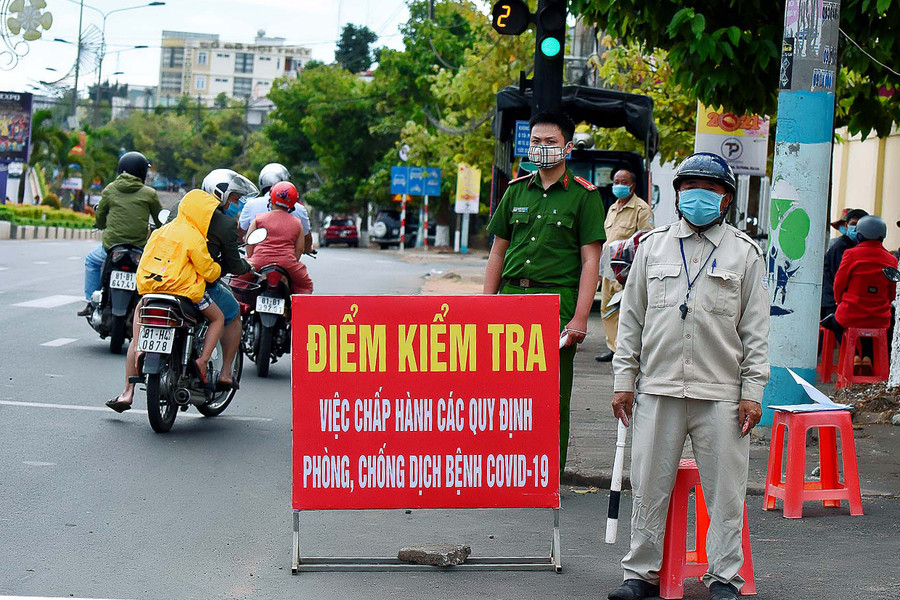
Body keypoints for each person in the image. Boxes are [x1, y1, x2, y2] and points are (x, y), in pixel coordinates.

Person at [609, 152, 769, 600]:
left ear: (726, 198)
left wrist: (753, 391)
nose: (699, 196)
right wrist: (623, 381)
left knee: (726, 494)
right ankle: (640, 574)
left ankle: (724, 578)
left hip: (722, 393)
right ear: (677, 194)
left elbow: (756, 330)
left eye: (710, 189)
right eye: (690, 187)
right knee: (648, 486)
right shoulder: (651, 247)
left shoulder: (745, 253)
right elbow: (631, 321)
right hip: (657, 388)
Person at [483, 110, 606, 472]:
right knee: (503, 392)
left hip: (556, 306)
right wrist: (485, 305)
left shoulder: (584, 196)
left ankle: (547, 475)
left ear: (567, 148)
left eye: (550, 142)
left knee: (551, 395)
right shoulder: (515, 190)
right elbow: (497, 252)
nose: (541, 148)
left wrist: (580, 318)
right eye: (535, 141)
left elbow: (590, 261)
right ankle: (502, 469)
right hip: (510, 299)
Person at [106, 189, 224, 412]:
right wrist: (217, 268)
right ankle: (202, 360)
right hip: (184, 294)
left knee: (138, 327)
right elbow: (208, 271)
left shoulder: (159, 232)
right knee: (218, 318)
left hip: (152, 292)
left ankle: (127, 391)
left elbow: (145, 260)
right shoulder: (194, 236)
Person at [77, 151, 162, 316]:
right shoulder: (149, 194)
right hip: (138, 248)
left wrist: (100, 224)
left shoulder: (110, 189)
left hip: (111, 247)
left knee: (91, 261)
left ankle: (91, 302)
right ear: (142, 172)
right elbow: (160, 220)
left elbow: (100, 215)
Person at [824, 215, 898, 368]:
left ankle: (855, 355)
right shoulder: (892, 260)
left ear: (859, 235)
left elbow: (839, 284)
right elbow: (891, 293)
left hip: (851, 313)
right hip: (880, 317)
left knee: (837, 323)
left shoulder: (851, 254)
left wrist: (840, 301)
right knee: (872, 329)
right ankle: (867, 357)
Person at [596, 169, 654, 362]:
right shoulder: (613, 208)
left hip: (627, 270)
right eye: (616, 182)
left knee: (625, 311)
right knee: (607, 309)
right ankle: (613, 348)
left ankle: (625, 350)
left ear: (632, 185)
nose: (619, 185)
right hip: (608, 268)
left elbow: (646, 238)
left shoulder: (641, 209)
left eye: (623, 182)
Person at [245, 182, 314, 294]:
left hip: (259, 260)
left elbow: (249, 243)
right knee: (306, 286)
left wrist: (251, 258)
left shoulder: (259, 219)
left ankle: (241, 304)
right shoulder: (297, 223)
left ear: (271, 199)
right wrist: (293, 261)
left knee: (237, 282)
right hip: (288, 263)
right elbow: (300, 249)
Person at [238, 163, 313, 256]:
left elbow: (241, 233)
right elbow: (306, 239)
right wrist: (306, 251)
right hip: (288, 260)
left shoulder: (253, 209)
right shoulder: (299, 211)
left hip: (257, 259)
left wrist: (250, 257)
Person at [821, 208, 868, 319]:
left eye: (859, 225)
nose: (856, 228)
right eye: (853, 224)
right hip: (834, 304)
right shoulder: (841, 247)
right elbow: (841, 279)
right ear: (846, 225)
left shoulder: (859, 247)